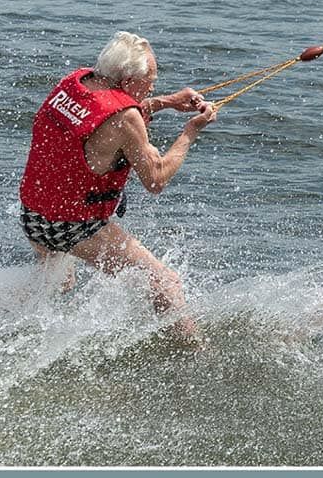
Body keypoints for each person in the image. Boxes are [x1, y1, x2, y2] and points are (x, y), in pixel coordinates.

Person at [19, 31, 216, 343]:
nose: (153, 84)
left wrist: (167, 102)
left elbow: (104, 118)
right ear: (126, 82)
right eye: (151, 77)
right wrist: (191, 130)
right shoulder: (126, 119)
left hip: (33, 216)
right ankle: (197, 356)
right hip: (73, 225)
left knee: (59, 283)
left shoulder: (75, 83)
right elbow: (155, 179)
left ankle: (3, 323)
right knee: (164, 282)